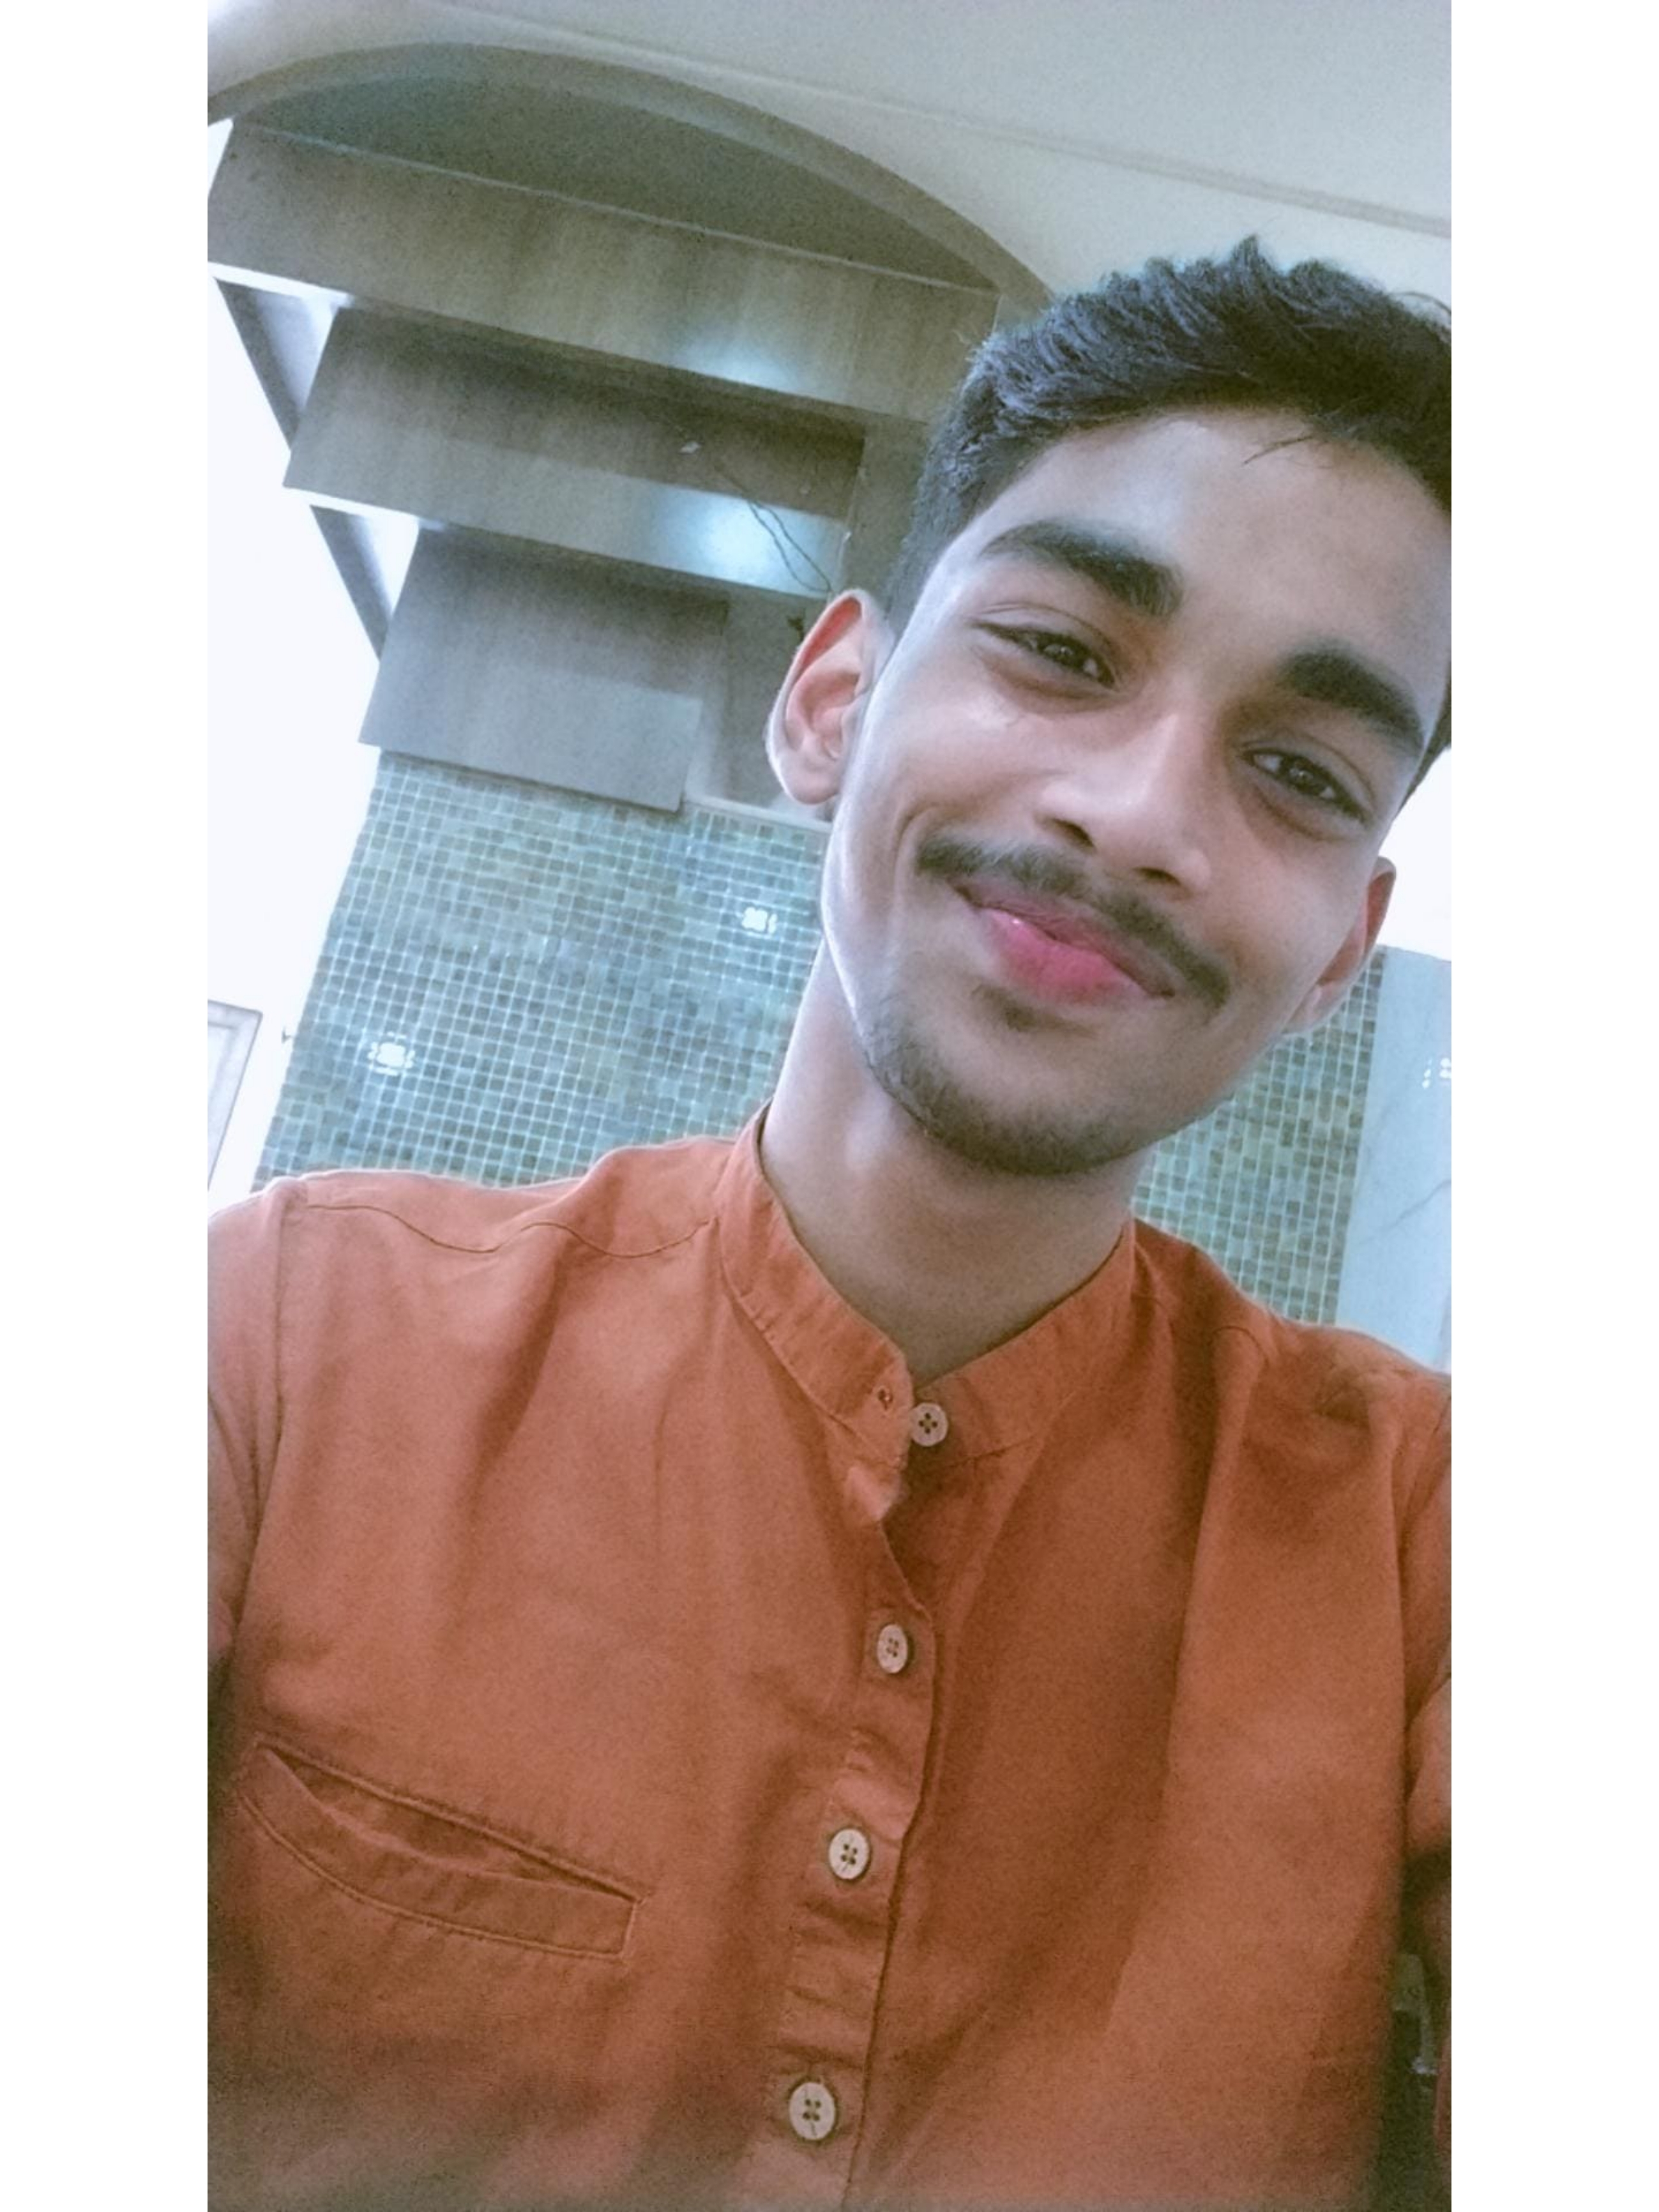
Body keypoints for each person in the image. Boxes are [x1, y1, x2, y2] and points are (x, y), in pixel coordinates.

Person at [209, 239, 1451, 2212]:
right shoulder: (278, 1341)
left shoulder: (1427, 1540)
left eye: (1298, 773)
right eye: (1061, 652)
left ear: (1337, 960)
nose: (1140, 816)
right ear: (832, 703)